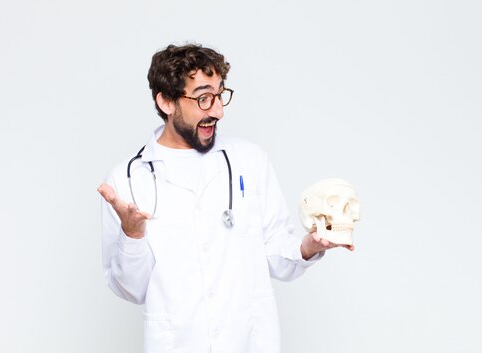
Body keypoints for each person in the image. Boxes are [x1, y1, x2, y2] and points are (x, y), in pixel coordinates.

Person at [97, 43, 353, 353]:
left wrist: (308, 247)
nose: (217, 111)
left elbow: (276, 254)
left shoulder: (248, 160)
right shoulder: (127, 179)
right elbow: (131, 289)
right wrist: (132, 235)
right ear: (165, 101)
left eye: (220, 95)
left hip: (248, 341)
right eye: (203, 98)